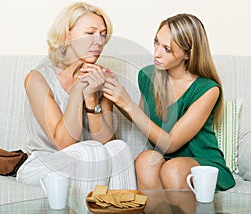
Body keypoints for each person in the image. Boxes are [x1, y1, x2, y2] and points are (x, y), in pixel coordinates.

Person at [103, 13, 235, 191]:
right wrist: (116, 94)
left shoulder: (208, 89)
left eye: (167, 49)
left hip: (201, 162)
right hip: (164, 160)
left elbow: (170, 144)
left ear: (187, 54)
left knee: (172, 170)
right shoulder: (147, 75)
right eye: (156, 42)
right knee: (145, 160)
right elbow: (143, 120)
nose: (156, 53)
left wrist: (127, 102)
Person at [16, 2, 137, 193]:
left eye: (103, 34)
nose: (99, 41)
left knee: (119, 148)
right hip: (43, 163)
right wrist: (77, 90)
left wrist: (91, 99)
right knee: (90, 150)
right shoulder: (37, 78)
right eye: (90, 33)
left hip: (89, 162)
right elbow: (64, 143)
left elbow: (108, 142)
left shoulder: (101, 78)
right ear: (66, 36)